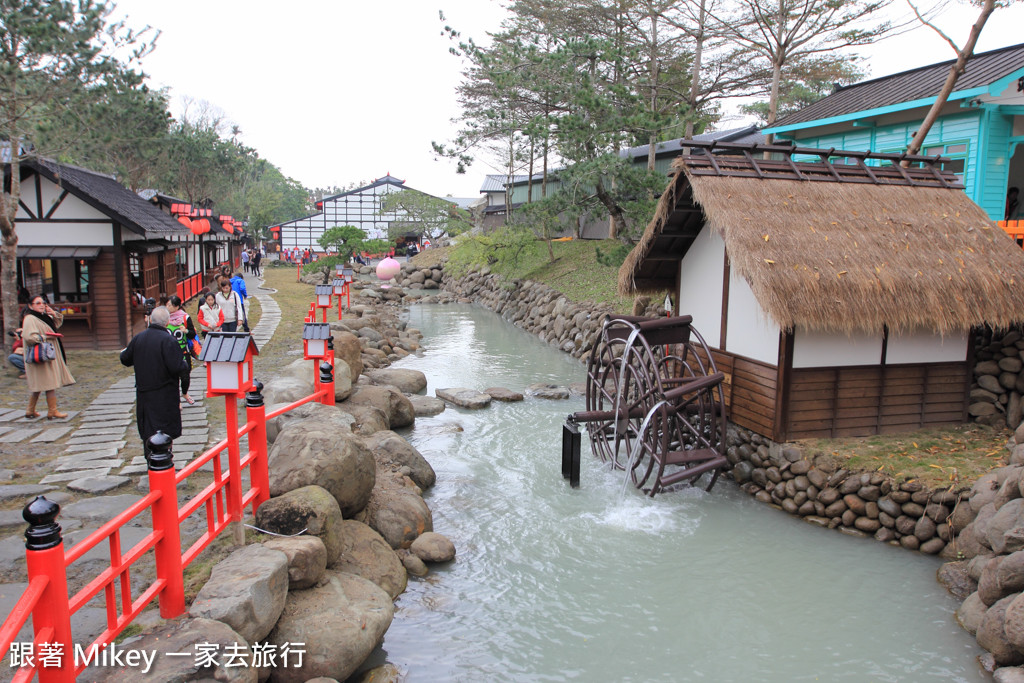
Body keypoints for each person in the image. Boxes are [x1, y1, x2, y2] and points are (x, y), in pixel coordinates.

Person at [120, 306, 187, 454]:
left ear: (151, 319)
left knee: (148, 429)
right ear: (167, 321)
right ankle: (164, 465)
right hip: (164, 393)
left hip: (144, 393)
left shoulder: (139, 338)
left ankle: (150, 462)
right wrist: (184, 365)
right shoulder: (168, 340)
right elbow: (177, 367)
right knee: (164, 431)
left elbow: (125, 359)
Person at [22, 295, 75, 419]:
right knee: (49, 383)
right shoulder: (30, 318)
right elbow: (29, 337)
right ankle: (53, 411)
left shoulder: (42, 317)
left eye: (43, 302)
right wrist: (46, 337)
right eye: (38, 303)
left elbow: (55, 324)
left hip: (46, 354)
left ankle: (30, 410)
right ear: (30, 305)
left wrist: (53, 313)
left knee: (40, 384)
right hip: (40, 355)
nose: (41, 305)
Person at [166, 295, 197, 405]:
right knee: (171, 377)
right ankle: (176, 400)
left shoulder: (185, 317)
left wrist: (186, 331)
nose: (168, 307)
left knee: (185, 376)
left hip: (183, 351)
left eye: (170, 305)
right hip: (168, 352)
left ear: (177, 306)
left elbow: (193, 333)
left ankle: (185, 393)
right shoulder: (164, 318)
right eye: (167, 305)